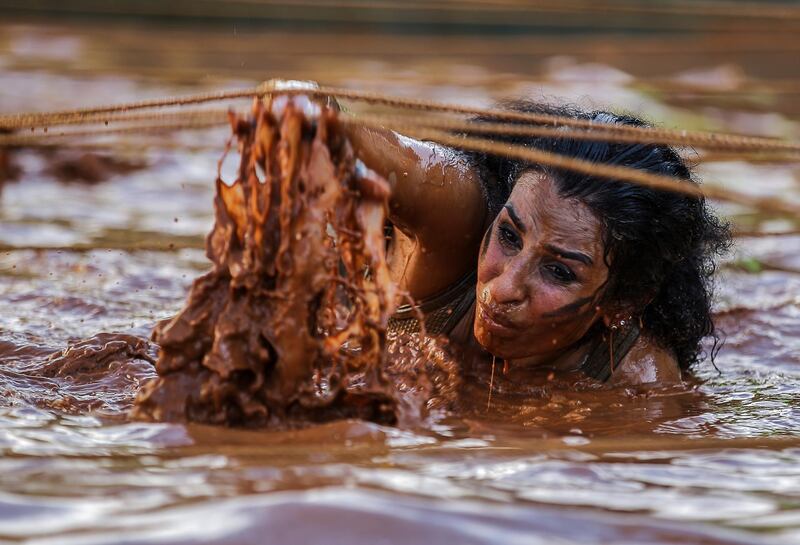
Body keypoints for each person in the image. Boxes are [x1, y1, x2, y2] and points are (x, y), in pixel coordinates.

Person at [274, 86, 731, 386]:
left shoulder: (637, 380)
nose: (502, 288)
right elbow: (360, 147)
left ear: (622, 305)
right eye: (510, 236)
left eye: (558, 270)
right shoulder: (460, 219)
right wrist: (306, 114)